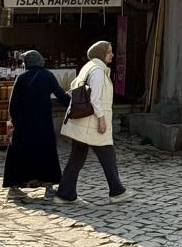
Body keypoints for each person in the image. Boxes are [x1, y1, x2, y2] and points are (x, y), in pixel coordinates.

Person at [55, 40, 131, 204]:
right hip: (92, 123)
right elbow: (95, 98)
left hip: (84, 122)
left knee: (77, 158)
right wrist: (102, 120)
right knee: (107, 156)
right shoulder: (97, 70)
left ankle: (65, 194)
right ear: (101, 53)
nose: (112, 54)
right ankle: (117, 191)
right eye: (109, 51)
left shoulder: (90, 67)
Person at [3, 50, 70, 199]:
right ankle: (48, 188)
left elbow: (13, 103)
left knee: (19, 154)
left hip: (23, 123)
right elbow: (61, 95)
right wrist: (73, 105)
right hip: (43, 123)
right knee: (46, 153)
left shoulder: (21, 77)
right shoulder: (47, 76)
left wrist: (14, 120)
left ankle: (13, 188)